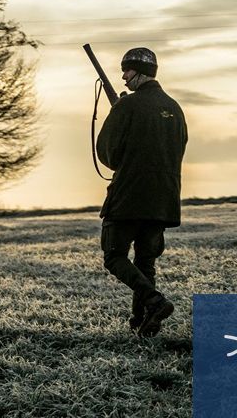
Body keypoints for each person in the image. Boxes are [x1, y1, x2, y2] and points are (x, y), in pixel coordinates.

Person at [95, 47, 188, 337]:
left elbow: (108, 154)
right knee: (145, 262)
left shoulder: (127, 106)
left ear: (139, 72)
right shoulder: (175, 108)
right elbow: (178, 149)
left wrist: (119, 114)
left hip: (129, 197)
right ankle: (142, 322)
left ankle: (155, 302)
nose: (122, 76)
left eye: (127, 70)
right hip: (163, 199)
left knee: (114, 256)